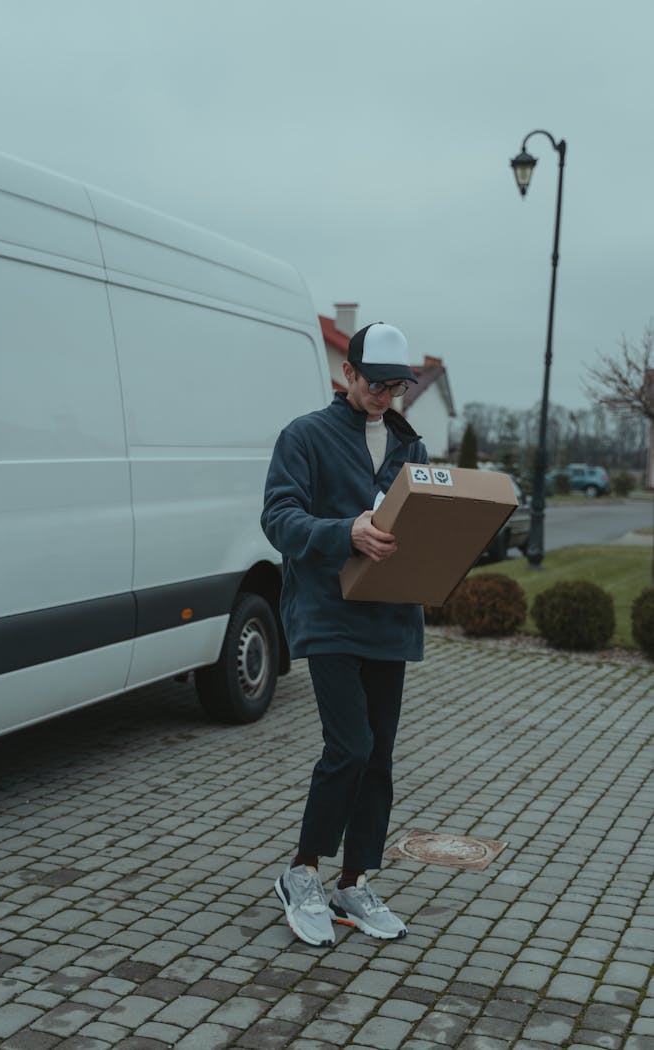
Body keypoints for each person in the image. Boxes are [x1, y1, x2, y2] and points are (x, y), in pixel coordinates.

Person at [261, 321, 428, 947]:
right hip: (328, 614)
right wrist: (345, 532)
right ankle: (302, 871)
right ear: (348, 375)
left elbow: (427, 523)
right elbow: (279, 518)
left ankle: (353, 883)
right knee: (350, 746)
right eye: (376, 383)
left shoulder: (411, 446)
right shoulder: (304, 436)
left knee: (379, 756)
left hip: (391, 617)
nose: (386, 396)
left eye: (396, 386)